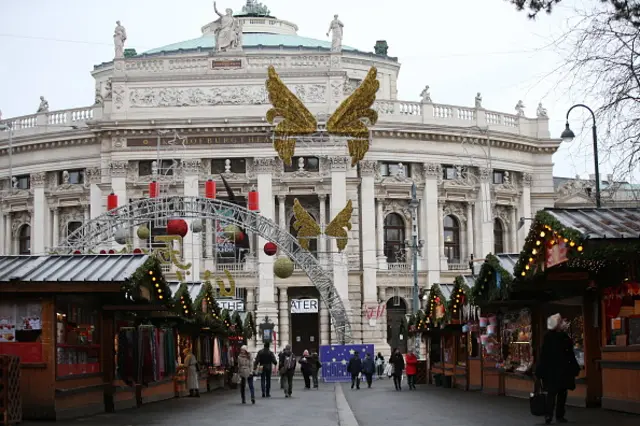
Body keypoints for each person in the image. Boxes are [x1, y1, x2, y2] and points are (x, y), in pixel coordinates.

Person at [536, 313, 580, 425]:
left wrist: (540, 371)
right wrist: (574, 368)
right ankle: (559, 415)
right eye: (561, 322)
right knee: (561, 393)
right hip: (561, 370)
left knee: (552, 393)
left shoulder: (548, 337)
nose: (563, 324)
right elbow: (570, 355)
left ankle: (549, 415)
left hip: (552, 371)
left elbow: (543, 355)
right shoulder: (564, 337)